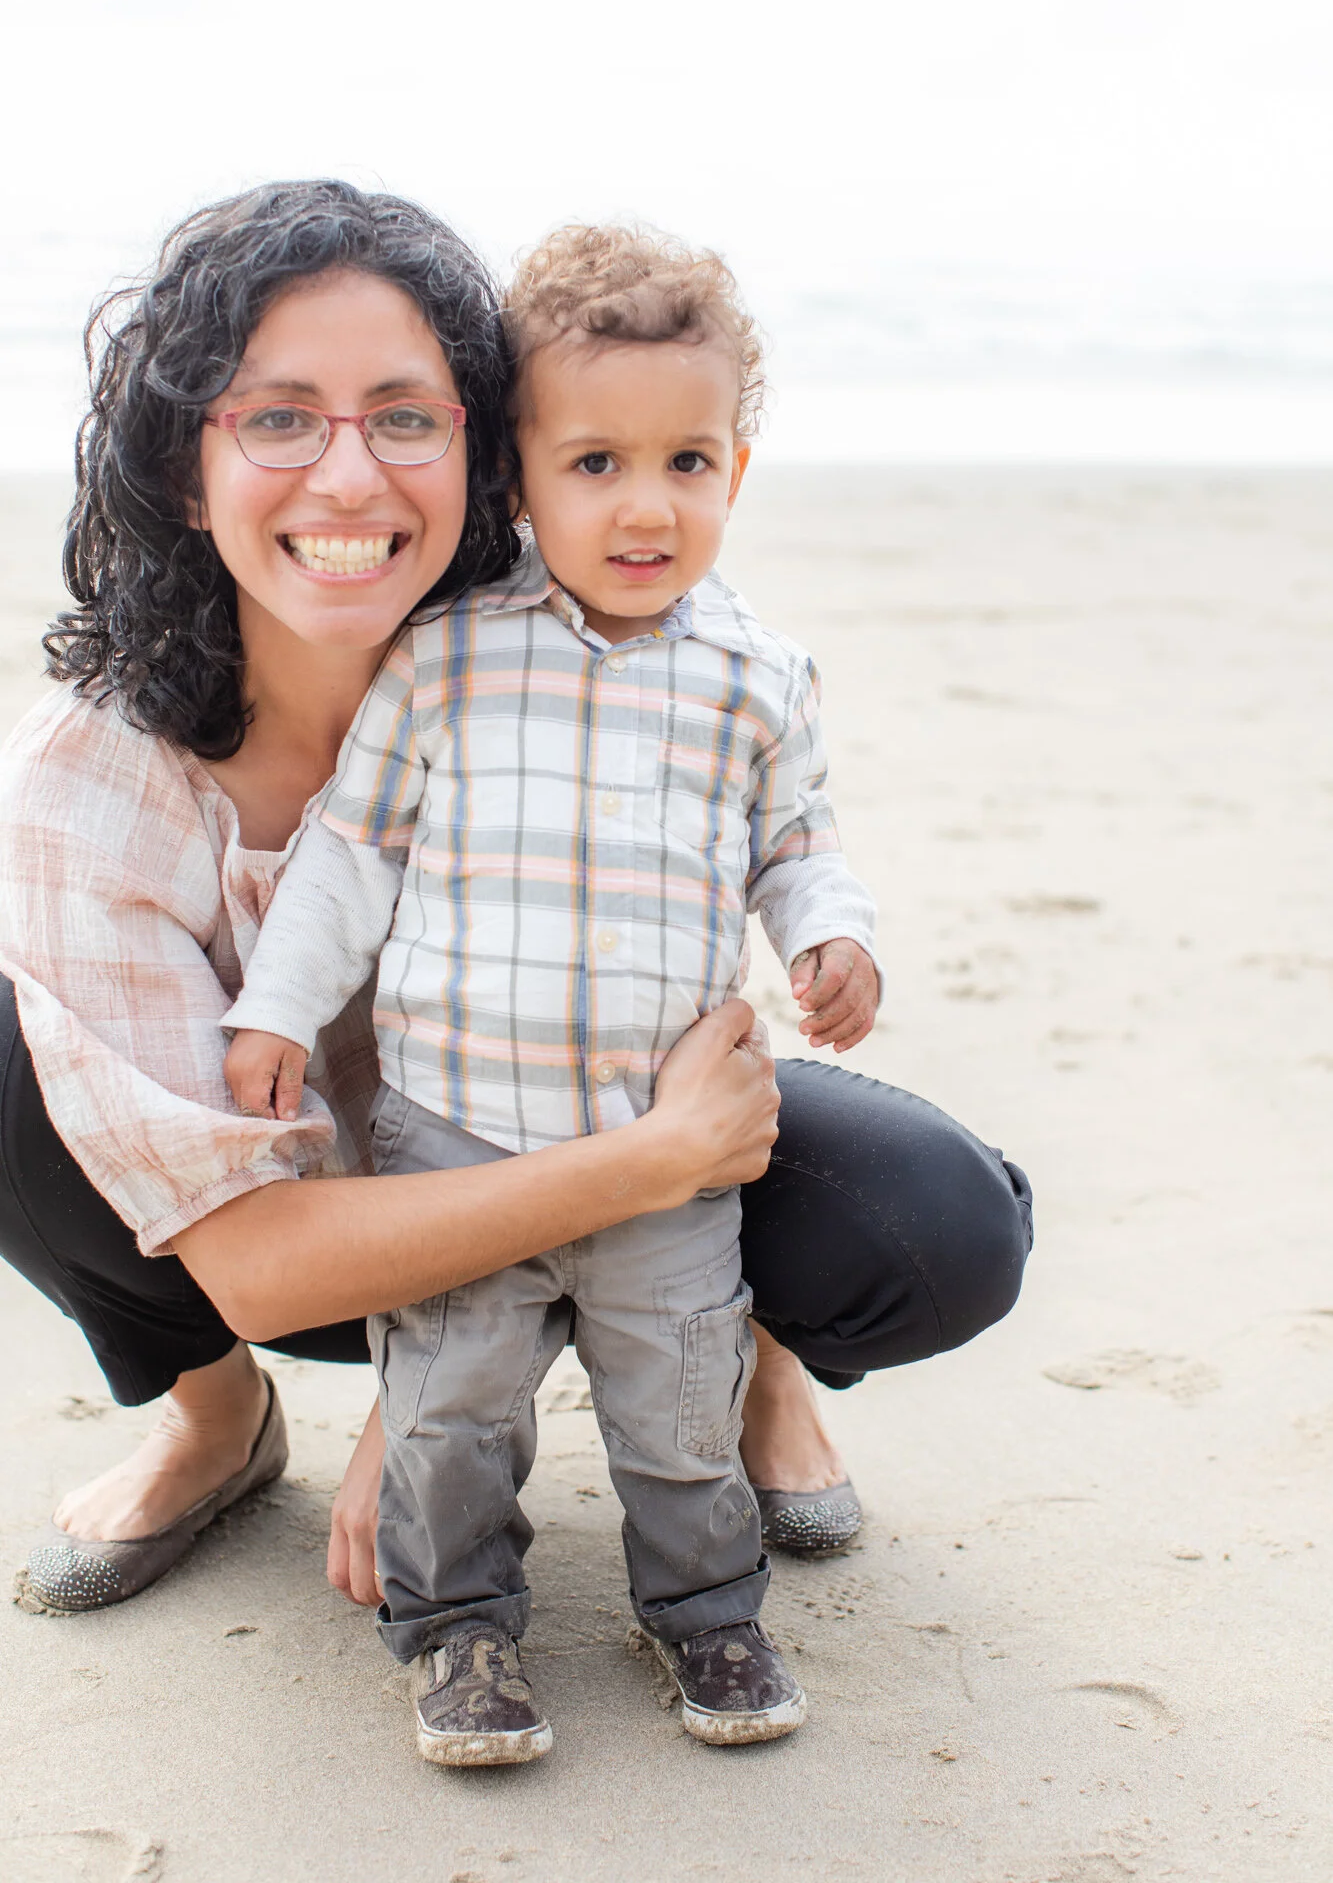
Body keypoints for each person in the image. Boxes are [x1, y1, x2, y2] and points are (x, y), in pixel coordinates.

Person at [0, 180, 1031, 1695]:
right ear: (183, 455)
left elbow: (766, 796)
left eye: (405, 417)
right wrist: (435, 1394)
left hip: (611, 1130)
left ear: (486, 446)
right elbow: (268, 1266)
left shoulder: (573, 631)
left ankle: (763, 1363)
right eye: (279, 417)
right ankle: (215, 1423)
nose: (349, 479)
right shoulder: (96, 784)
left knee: (938, 1224)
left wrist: (791, 977)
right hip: (342, 1235)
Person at [222, 223, 881, 1762]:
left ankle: (710, 1618)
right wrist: (272, 1008)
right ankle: (456, 1636)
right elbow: (349, 853)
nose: (645, 505)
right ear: (518, 473)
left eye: (689, 462)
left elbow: (799, 843)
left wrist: (830, 936)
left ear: (736, 468)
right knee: (452, 1412)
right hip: (462, 1136)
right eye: (595, 463)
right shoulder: (447, 658)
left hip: (669, 1149)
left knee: (678, 1406)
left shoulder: (756, 677)